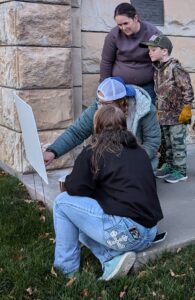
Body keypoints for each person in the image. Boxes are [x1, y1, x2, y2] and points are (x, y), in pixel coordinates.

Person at [53, 105, 163, 280]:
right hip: (149, 232)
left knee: (61, 203)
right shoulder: (140, 151)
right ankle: (110, 259)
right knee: (77, 217)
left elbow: (75, 188)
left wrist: (70, 181)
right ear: (123, 125)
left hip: (127, 234)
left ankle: (66, 270)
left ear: (96, 127)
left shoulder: (93, 151)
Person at [44, 77, 161, 171]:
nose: (101, 106)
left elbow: (152, 143)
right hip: (108, 162)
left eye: (106, 103)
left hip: (136, 163)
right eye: (100, 102)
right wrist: (53, 151)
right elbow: (77, 132)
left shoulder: (145, 109)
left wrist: (128, 162)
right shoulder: (98, 106)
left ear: (121, 101)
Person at [140, 34, 194, 183]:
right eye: (149, 49)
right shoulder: (157, 69)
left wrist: (187, 108)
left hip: (177, 115)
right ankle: (169, 166)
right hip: (164, 115)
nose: (149, 52)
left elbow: (187, 89)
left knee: (177, 144)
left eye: (153, 49)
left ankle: (180, 170)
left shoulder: (175, 68)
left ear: (164, 51)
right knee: (167, 144)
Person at [100, 2, 160, 104]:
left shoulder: (152, 32)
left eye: (126, 23)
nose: (123, 28)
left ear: (136, 18)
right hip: (120, 86)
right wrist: (104, 88)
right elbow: (106, 62)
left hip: (147, 86)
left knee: (148, 114)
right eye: (119, 25)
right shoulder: (113, 36)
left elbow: (164, 53)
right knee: (120, 115)